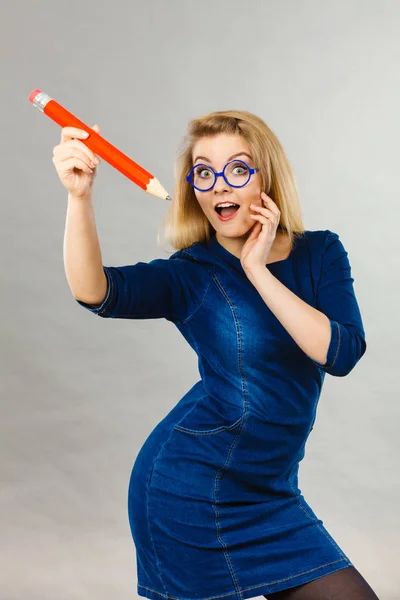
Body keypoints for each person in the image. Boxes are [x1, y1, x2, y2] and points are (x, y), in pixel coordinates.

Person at [53, 111, 379, 599]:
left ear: (266, 178)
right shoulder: (193, 273)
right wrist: (79, 198)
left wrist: (257, 269)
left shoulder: (322, 253)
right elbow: (95, 290)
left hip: (270, 494)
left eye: (238, 169)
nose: (219, 185)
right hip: (187, 490)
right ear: (193, 187)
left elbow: (341, 352)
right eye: (204, 172)